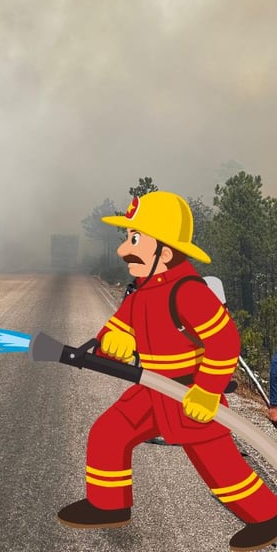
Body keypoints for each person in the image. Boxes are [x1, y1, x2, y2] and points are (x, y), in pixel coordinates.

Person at [56, 191, 277, 552]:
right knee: (109, 434)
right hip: (151, 390)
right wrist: (111, 342)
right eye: (128, 239)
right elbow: (117, 328)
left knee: (221, 469)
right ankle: (108, 505)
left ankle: (267, 517)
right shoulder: (141, 293)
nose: (123, 250)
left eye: (135, 239)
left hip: (190, 395)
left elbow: (225, 343)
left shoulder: (189, 292)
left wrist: (207, 390)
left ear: (166, 251)